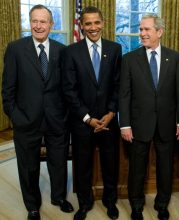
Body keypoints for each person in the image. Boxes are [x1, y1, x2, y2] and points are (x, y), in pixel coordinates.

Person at [1, 4, 73, 220]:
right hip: (26, 120)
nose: (39, 26)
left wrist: (65, 115)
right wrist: (15, 115)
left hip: (57, 120)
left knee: (59, 162)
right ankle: (32, 205)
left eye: (43, 21)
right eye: (35, 21)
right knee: (28, 166)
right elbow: (8, 88)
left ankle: (58, 197)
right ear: (29, 23)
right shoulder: (15, 48)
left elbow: (67, 87)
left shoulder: (62, 51)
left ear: (51, 25)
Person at [119, 14, 179, 220]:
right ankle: (137, 205)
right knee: (137, 169)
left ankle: (162, 204)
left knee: (165, 168)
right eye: (141, 29)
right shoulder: (129, 59)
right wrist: (125, 125)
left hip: (167, 124)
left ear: (160, 32)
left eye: (147, 29)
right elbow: (124, 95)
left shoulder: (175, 58)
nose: (142, 33)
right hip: (139, 124)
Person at [61, 6, 122, 220]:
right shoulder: (71, 52)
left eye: (96, 22)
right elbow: (69, 89)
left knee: (110, 164)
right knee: (83, 166)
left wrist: (111, 112)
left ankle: (110, 201)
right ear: (82, 25)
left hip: (108, 121)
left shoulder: (115, 49)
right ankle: (84, 204)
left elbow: (117, 85)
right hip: (82, 122)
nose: (93, 27)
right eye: (88, 23)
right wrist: (87, 118)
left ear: (103, 23)